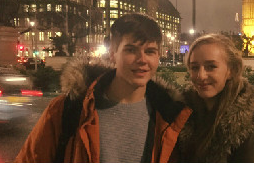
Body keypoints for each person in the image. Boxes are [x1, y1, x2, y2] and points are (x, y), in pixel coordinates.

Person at [16, 13, 189, 162]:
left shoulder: (172, 115)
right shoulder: (66, 110)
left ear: (158, 56)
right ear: (113, 54)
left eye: (150, 51)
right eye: (131, 50)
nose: (142, 59)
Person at [176, 34, 254, 162]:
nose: (201, 76)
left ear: (232, 70)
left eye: (211, 67)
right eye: (195, 67)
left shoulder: (249, 134)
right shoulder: (179, 117)